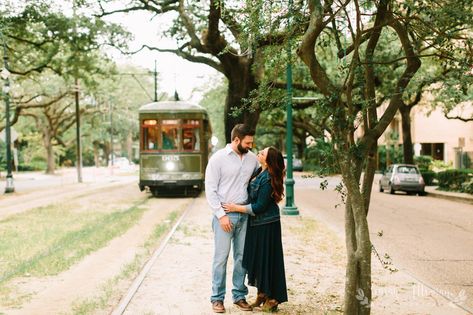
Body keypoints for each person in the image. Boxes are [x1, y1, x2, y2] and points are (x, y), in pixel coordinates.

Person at [223, 146, 288, 312]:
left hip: (267, 224)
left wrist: (235, 208)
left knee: (268, 260)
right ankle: (262, 293)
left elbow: (259, 207)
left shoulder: (268, 178)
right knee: (259, 260)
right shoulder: (260, 171)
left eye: (262, 153)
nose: (258, 153)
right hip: (257, 224)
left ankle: (273, 298)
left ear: (267, 160)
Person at [205, 124, 260, 313]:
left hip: (245, 215)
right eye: (248, 142)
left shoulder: (253, 160)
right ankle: (217, 299)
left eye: (252, 142)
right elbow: (210, 190)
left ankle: (239, 296)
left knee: (241, 258)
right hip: (224, 216)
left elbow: (261, 178)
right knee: (221, 258)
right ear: (236, 140)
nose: (251, 145)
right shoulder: (218, 159)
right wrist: (221, 216)